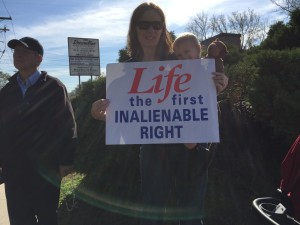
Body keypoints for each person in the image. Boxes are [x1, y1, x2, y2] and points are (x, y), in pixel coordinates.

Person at [91, 2, 228, 225]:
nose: (151, 30)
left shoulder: (178, 58)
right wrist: (98, 111)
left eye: (157, 25)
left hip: (190, 147)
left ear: (163, 28)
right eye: (144, 25)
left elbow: (202, 96)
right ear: (134, 29)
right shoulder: (125, 70)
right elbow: (119, 112)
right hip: (153, 151)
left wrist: (220, 82)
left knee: (191, 215)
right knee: (152, 214)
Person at [0, 37, 77, 225]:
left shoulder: (54, 87)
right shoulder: (7, 90)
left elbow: (66, 124)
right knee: (19, 218)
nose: (18, 55)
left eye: (24, 52)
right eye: (16, 52)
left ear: (39, 58)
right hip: (14, 168)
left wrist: (66, 161)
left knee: (47, 216)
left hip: (45, 169)